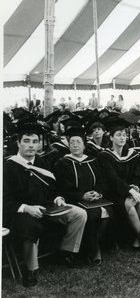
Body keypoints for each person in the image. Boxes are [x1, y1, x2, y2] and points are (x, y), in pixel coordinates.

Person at [3, 123, 87, 287]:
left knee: (79, 214)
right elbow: (4, 199)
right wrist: (26, 208)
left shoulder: (41, 162)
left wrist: (57, 198)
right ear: (18, 143)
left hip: (45, 207)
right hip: (18, 212)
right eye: (26, 141)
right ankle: (30, 269)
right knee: (30, 226)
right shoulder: (7, 166)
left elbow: (52, 188)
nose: (31, 145)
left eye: (35, 142)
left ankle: (66, 252)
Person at [54, 126, 112, 266]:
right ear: (68, 145)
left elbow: (103, 180)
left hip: (95, 199)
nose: (75, 145)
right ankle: (91, 250)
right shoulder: (62, 163)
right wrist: (82, 195)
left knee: (110, 211)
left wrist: (98, 192)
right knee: (92, 214)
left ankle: (97, 245)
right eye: (72, 142)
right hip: (75, 200)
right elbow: (62, 186)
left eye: (78, 142)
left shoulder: (93, 160)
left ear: (84, 145)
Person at [98, 118, 140, 249]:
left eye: (124, 135)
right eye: (118, 135)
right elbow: (113, 179)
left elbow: (137, 174)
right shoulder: (105, 156)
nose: (122, 138)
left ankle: (136, 238)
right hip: (114, 192)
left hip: (130, 190)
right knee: (130, 205)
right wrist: (131, 191)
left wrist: (135, 186)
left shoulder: (132, 154)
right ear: (111, 138)